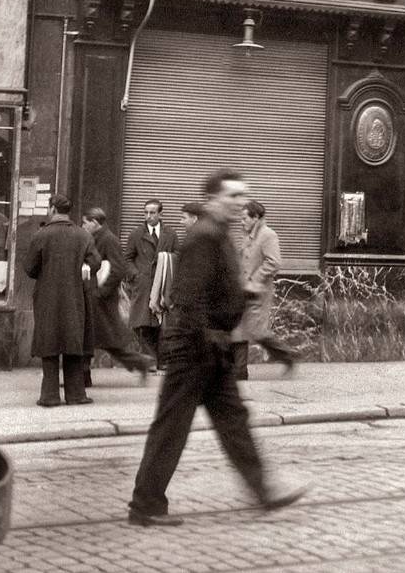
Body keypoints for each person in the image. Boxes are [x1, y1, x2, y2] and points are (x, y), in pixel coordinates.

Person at [128, 169, 305, 527]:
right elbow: (188, 297)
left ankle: (263, 491)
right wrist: (208, 335)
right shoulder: (204, 236)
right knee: (172, 427)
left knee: (234, 423)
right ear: (213, 200)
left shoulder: (220, 235)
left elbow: (217, 289)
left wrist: (241, 296)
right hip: (194, 348)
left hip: (212, 348)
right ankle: (144, 505)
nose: (240, 203)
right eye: (233, 196)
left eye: (243, 196)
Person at [24, 194, 101, 407]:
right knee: (73, 342)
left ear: (51, 209)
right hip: (75, 296)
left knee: (49, 343)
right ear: (69, 211)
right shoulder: (83, 235)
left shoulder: (41, 235)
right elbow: (95, 262)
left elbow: (30, 268)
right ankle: (76, 395)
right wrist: (83, 269)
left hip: (47, 297)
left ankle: (49, 396)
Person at [81, 207, 154, 381]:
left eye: (85, 222)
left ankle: (83, 376)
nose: (82, 226)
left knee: (97, 337)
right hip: (96, 296)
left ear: (95, 223)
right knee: (99, 338)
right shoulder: (96, 237)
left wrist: (101, 292)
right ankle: (83, 376)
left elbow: (119, 268)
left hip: (101, 298)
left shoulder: (108, 239)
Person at [230, 200, 297, 379]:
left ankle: (287, 355)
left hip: (259, 291)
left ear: (256, 217)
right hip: (245, 289)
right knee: (239, 328)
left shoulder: (268, 235)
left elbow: (274, 262)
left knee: (256, 331)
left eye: (244, 218)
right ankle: (240, 371)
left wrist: (254, 279)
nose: (241, 221)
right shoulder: (248, 235)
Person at [124, 198, 179, 369]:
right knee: (143, 324)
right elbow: (127, 259)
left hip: (163, 286)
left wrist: (168, 271)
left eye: (152, 212)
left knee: (161, 324)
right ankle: (149, 361)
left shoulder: (170, 234)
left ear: (160, 214)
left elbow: (177, 255)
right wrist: (136, 275)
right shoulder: (136, 235)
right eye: (146, 212)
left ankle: (162, 362)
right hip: (144, 286)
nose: (148, 216)